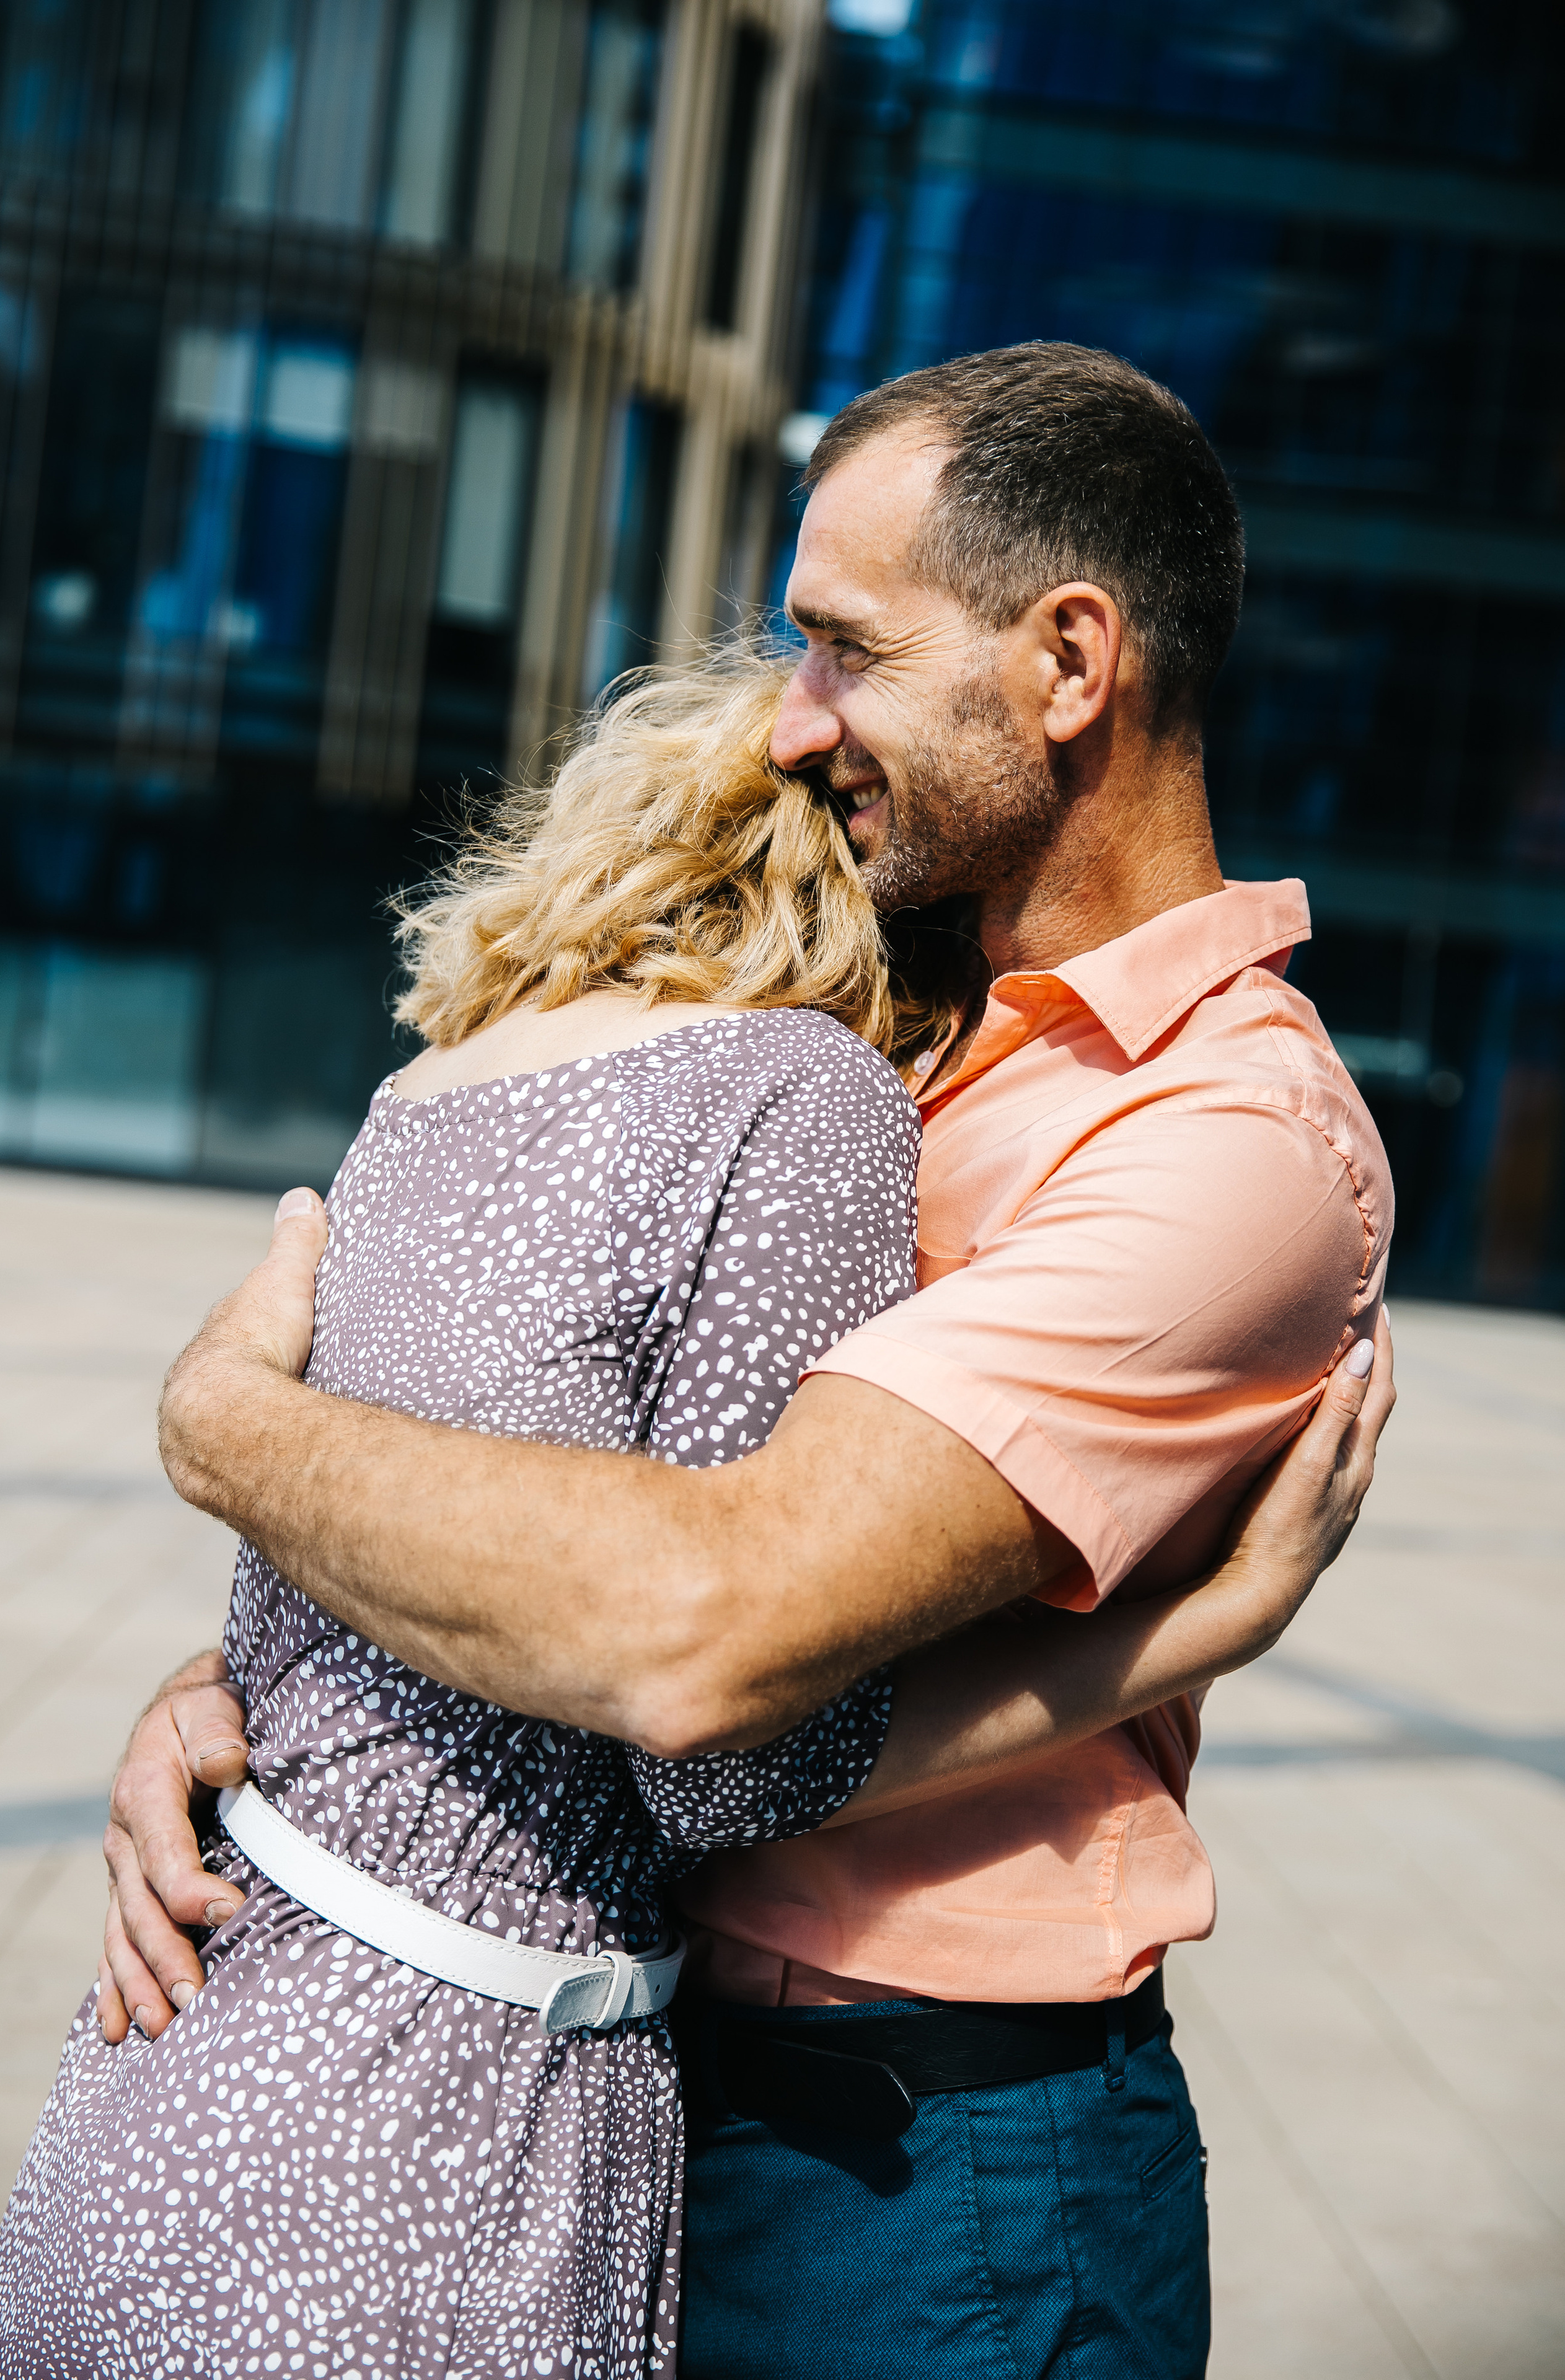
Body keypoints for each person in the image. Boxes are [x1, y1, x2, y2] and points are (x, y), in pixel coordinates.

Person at [86, 343, 1391, 2379]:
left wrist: (239, 1434)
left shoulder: (1227, 1151)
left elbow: (706, 1643)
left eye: (845, 649)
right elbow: (542, 1475)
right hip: (635, 2077)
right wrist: (256, 1688)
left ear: (1070, 661)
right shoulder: (867, 1019)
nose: (796, 724)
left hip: (937, 2182)